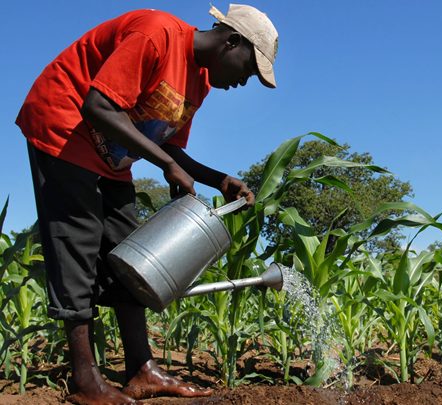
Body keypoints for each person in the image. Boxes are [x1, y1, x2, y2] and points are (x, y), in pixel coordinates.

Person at [15, 4, 278, 404]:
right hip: (65, 130)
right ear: (231, 42)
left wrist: (218, 180)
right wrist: (167, 165)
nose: (246, 80)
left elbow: (166, 143)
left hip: (111, 156)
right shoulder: (156, 34)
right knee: (78, 249)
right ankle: (86, 382)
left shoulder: (198, 83)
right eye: (249, 68)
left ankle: (142, 370)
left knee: (129, 252)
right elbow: (97, 107)